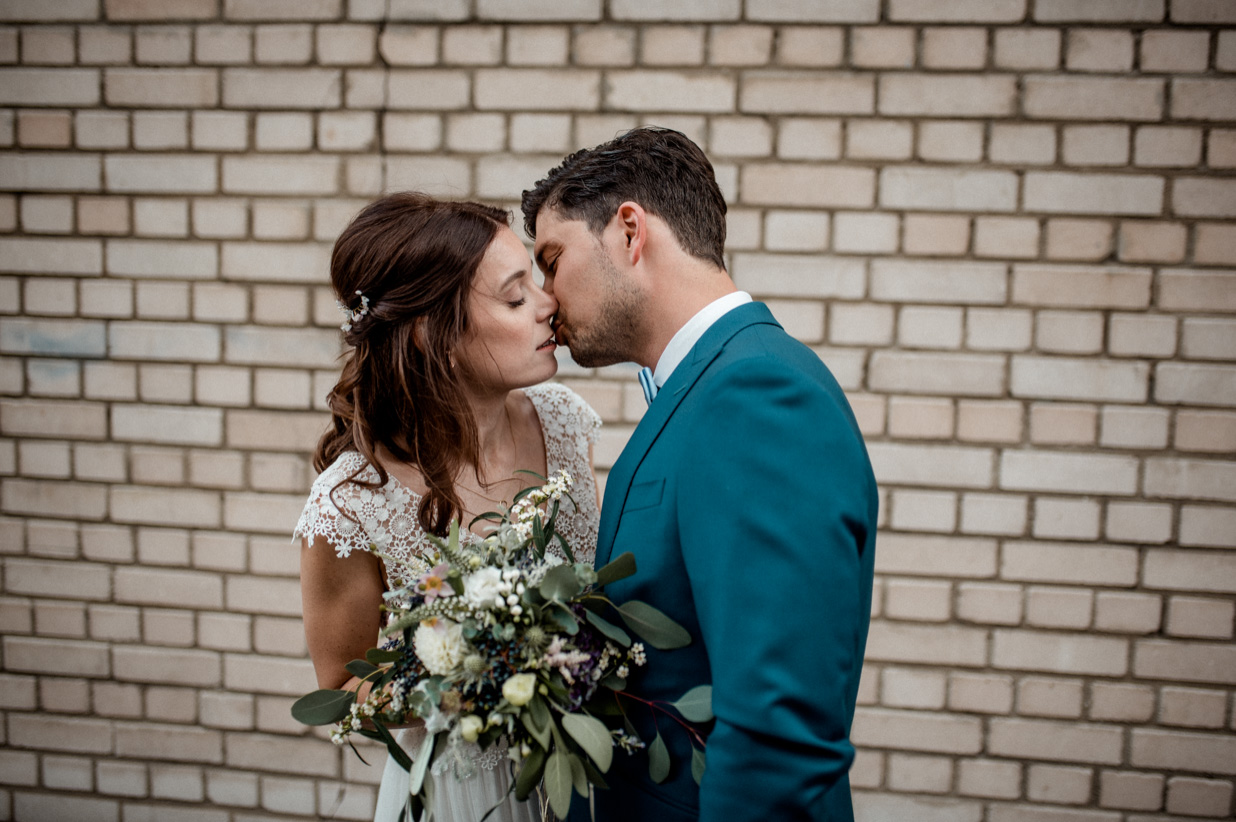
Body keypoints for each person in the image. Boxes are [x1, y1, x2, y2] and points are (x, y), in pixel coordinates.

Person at [521, 127, 878, 822]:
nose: (545, 299)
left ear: (629, 230)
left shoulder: (757, 399)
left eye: (552, 260)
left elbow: (779, 738)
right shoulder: (708, 387)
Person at [293, 192, 603, 822]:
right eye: (516, 298)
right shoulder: (351, 503)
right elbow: (341, 691)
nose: (549, 306)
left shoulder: (562, 422)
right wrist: (467, 673)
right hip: (464, 794)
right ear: (435, 335)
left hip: (584, 772)